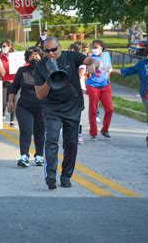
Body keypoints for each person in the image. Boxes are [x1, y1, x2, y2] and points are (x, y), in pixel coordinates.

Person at [34, 36, 96, 190]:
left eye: (53, 50)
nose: (50, 53)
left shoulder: (71, 56)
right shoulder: (40, 66)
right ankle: (51, 175)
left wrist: (93, 65)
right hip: (52, 109)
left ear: (59, 47)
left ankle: (66, 175)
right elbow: (39, 95)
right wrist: (49, 80)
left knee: (71, 144)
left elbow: (90, 60)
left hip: (72, 107)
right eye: (47, 51)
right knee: (52, 141)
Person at [8, 46, 45, 167]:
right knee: (26, 130)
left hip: (42, 107)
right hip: (25, 106)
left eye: (37, 55)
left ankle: (39, 156)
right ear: (27, 58)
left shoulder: (47, 70)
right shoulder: (22, 70)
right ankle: (24, 156)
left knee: (40, 131)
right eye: (32, 55)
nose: (34, 57)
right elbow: (14, 87)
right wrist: (10, 101)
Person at [85, 40, 114, 140]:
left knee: (110, 109)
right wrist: (89, 71)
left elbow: (109, 67)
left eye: (96, 47)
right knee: (93, 109)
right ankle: (93, 132)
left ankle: (105, 129)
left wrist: (108, 76)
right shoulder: (90, 58)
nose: (94, 49)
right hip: (93, 86)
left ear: (101, 47)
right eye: (93, 47)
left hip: (105, 85)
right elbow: (87, 75)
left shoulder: (106, 55)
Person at [0, 39, 17, 127]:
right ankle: (2, 117)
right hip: (4, 81)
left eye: (5, 46)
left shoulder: (15, 57)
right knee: (4, 101)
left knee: (13, 101)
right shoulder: (0, 57)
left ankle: (12, 121)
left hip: (14, 81)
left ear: (10, 47)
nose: (3, 48)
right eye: (2, 46)